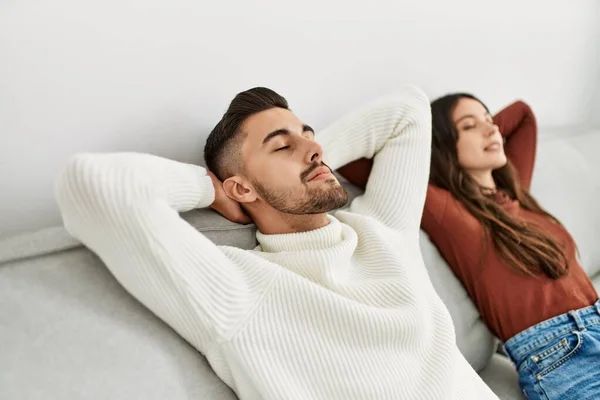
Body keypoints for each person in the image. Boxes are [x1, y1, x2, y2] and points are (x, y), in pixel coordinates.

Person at [55, 86, 498, 400]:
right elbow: (93, 183)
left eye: (309, 135)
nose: (315, 150)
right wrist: (212, 189)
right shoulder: (237, 288)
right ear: (242, 189)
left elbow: (408, 109)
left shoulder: (382, 232)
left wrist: (300, 157)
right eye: (281, 147)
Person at [338, 94, 600, 400]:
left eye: (490, 121)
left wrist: (476, 131)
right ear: (444, 146)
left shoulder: (514, 193)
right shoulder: (448, 211)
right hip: (562, 354)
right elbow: (354, 163)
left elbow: (522, 114)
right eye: (469, 126)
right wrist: (436, 144)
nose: (491, 131)